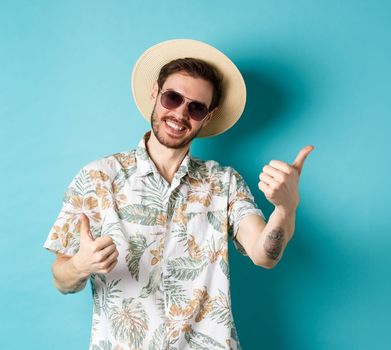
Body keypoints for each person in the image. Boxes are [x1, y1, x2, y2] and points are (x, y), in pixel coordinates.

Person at [42, 39, 313, 349]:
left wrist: (285, 209)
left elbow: (265, 255)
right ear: (155, 94)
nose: (180, 113)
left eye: (196, 107)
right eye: (173, 98)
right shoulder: (98, 177)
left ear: (207, 117)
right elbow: (61, 279)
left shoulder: (224, 182)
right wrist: (80, 265)